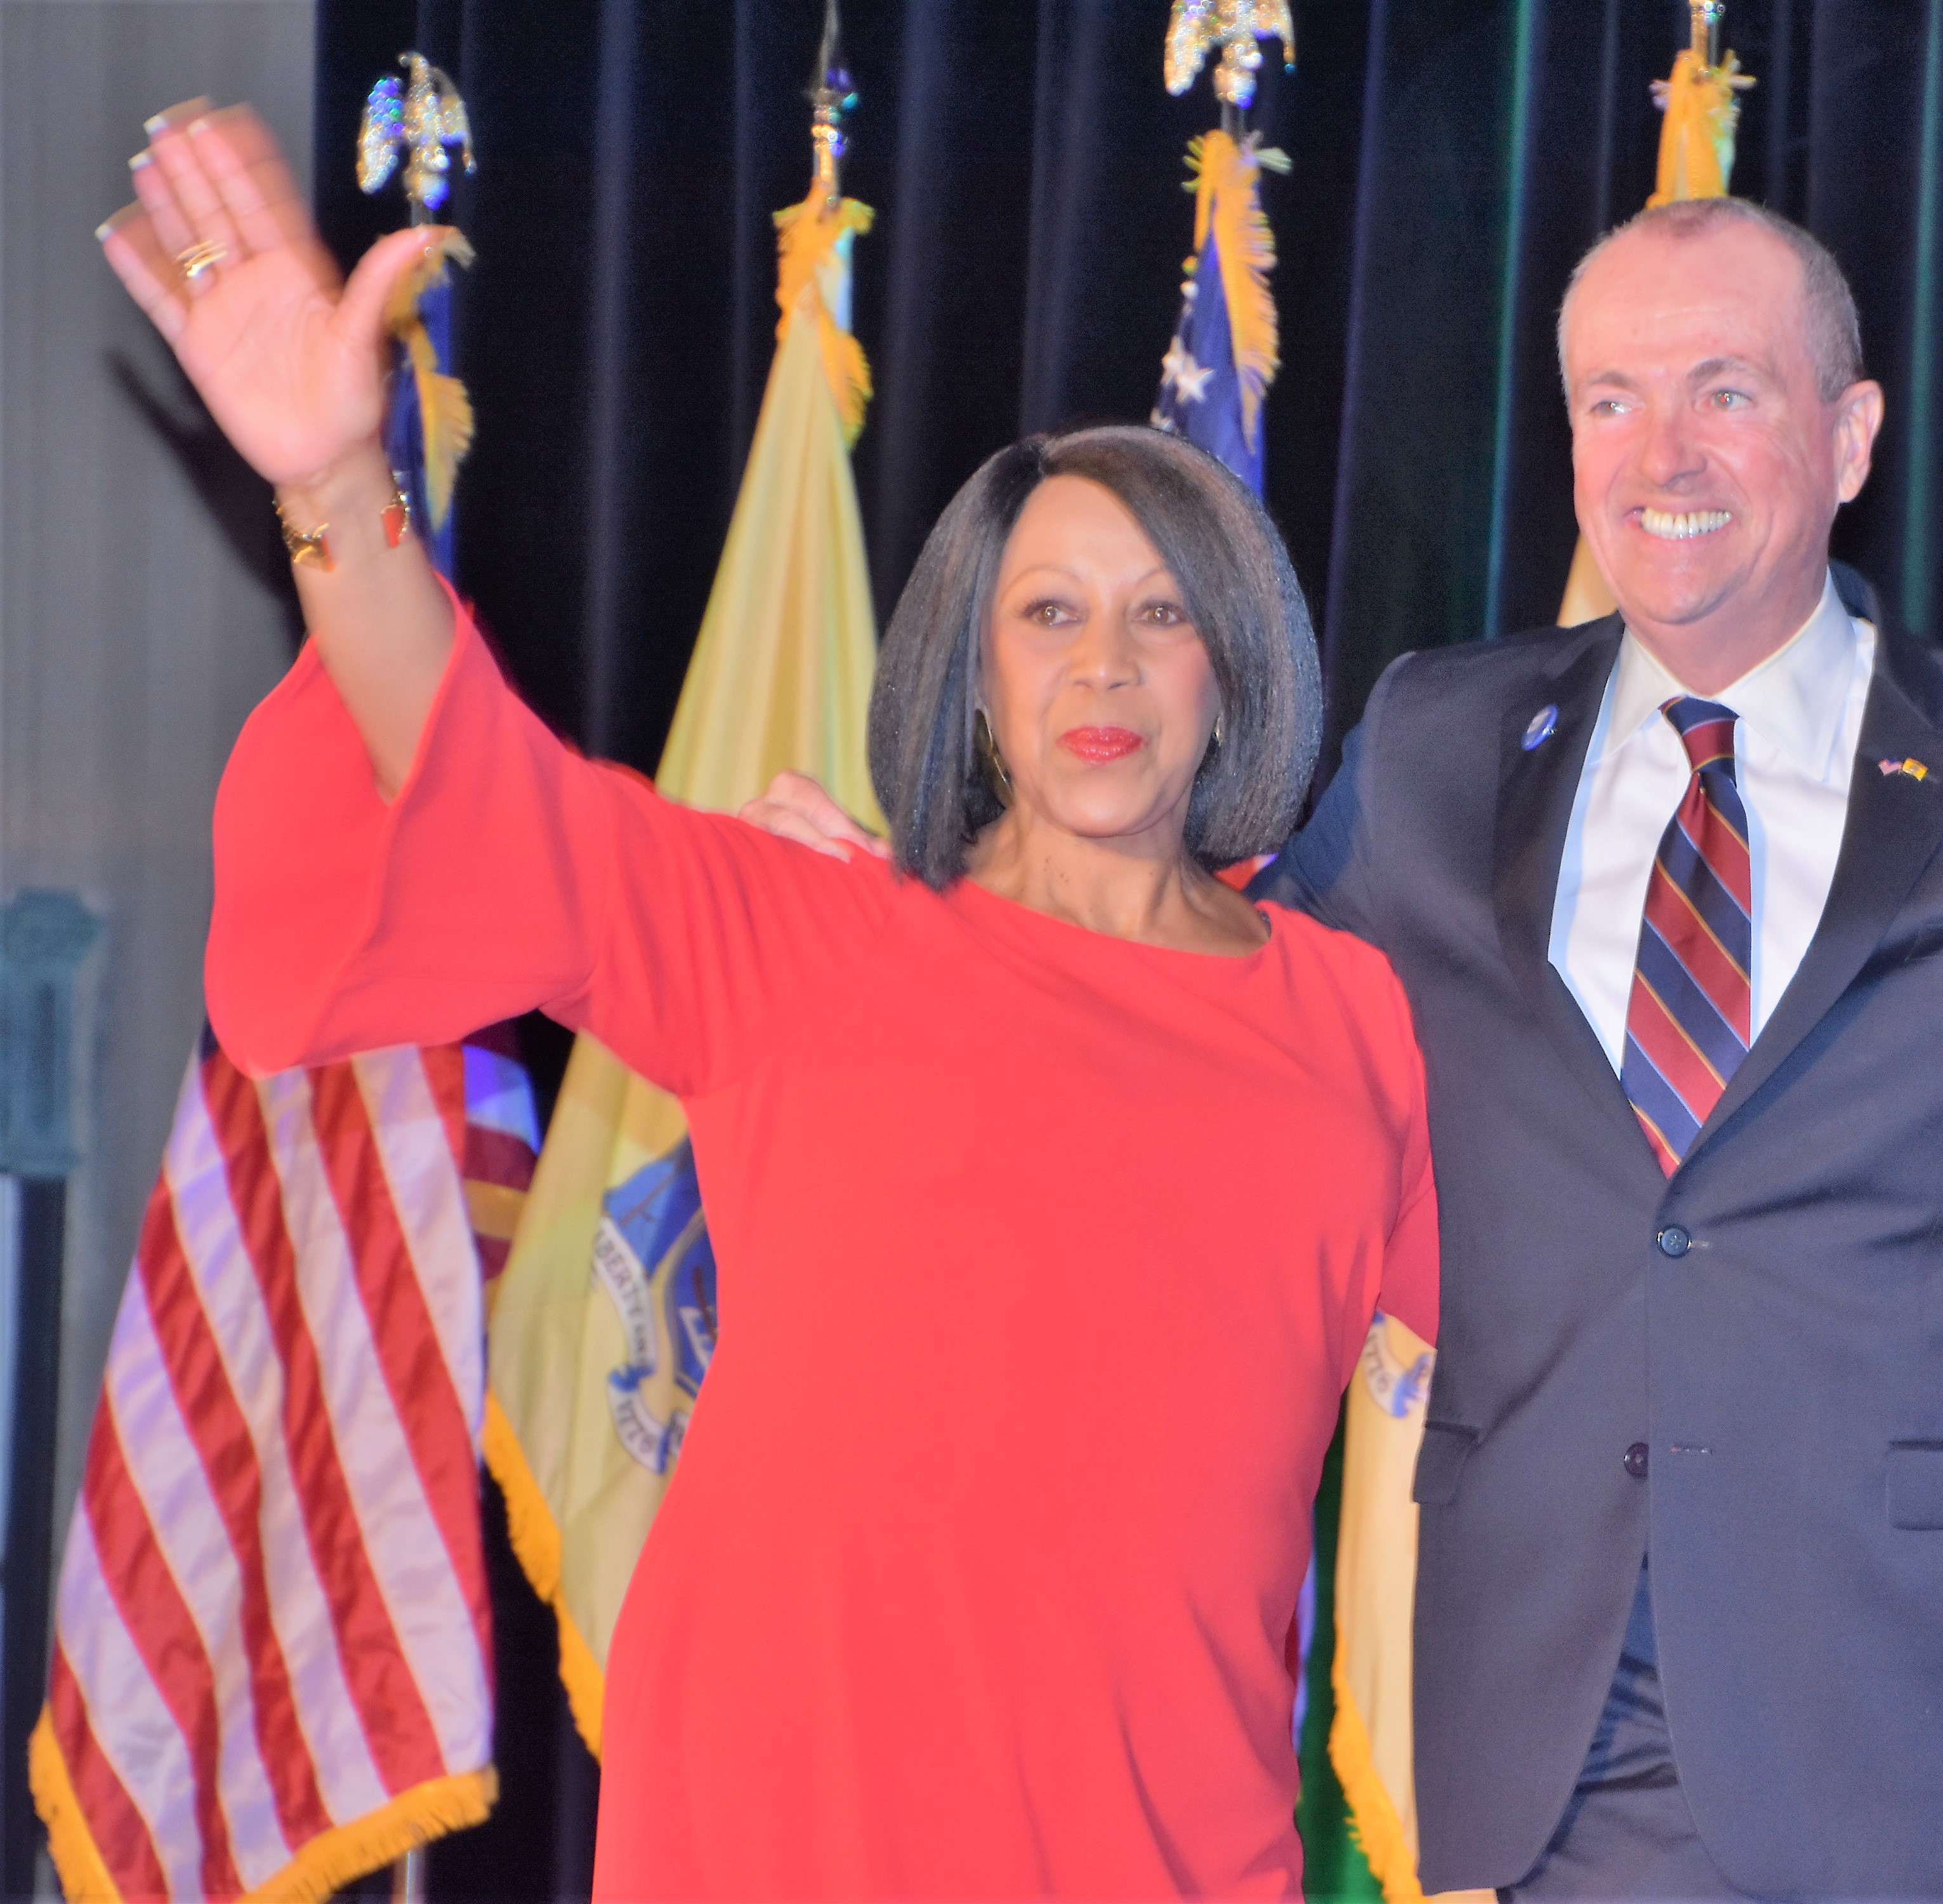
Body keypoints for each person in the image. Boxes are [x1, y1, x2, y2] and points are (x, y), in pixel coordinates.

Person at [757, 195, 1943, 1896]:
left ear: (1848, 436)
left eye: (1722, 391)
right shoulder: (1440, 741)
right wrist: (933, 929)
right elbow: (1204, 994)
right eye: (1612, 400)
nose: (1660, 453)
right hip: (1576, 1726)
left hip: (1931, 1727)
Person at [102, 107, 1437, 1900]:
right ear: (975, 676)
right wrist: (336, 484)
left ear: (1238, 665)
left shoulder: (1360, 1024)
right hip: (787, 1835)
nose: (1105, 665)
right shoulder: (810, 932)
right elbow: (480, 785)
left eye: (1161, 614)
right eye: (1048, 613)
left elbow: (1580, 1352)